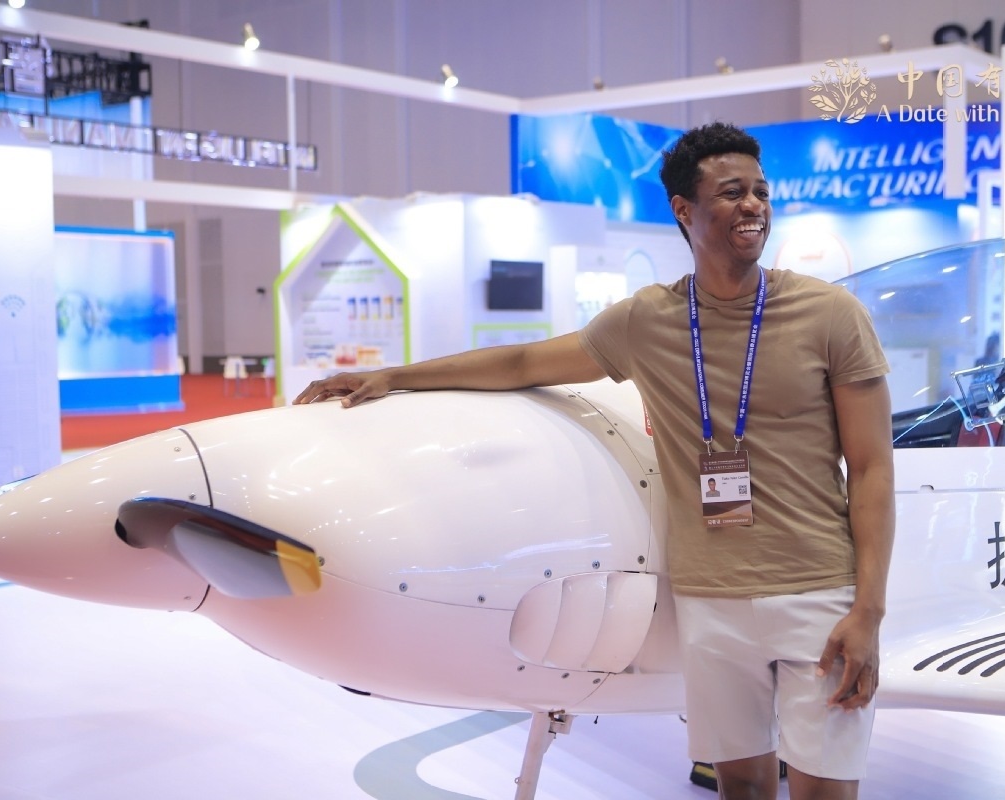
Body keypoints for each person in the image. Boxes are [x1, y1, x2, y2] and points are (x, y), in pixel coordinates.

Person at [294, 121, 895, 800]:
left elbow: (872, 467)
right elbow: (523, 362)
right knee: (742, 788)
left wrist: (868, 611)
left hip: (818, 592)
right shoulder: (647, 321)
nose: (754, 205)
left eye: (760, 191)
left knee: (825, 791)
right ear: (684, 210)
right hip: (710, 599)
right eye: (733, 193)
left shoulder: (830, 314)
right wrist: (396, 377)